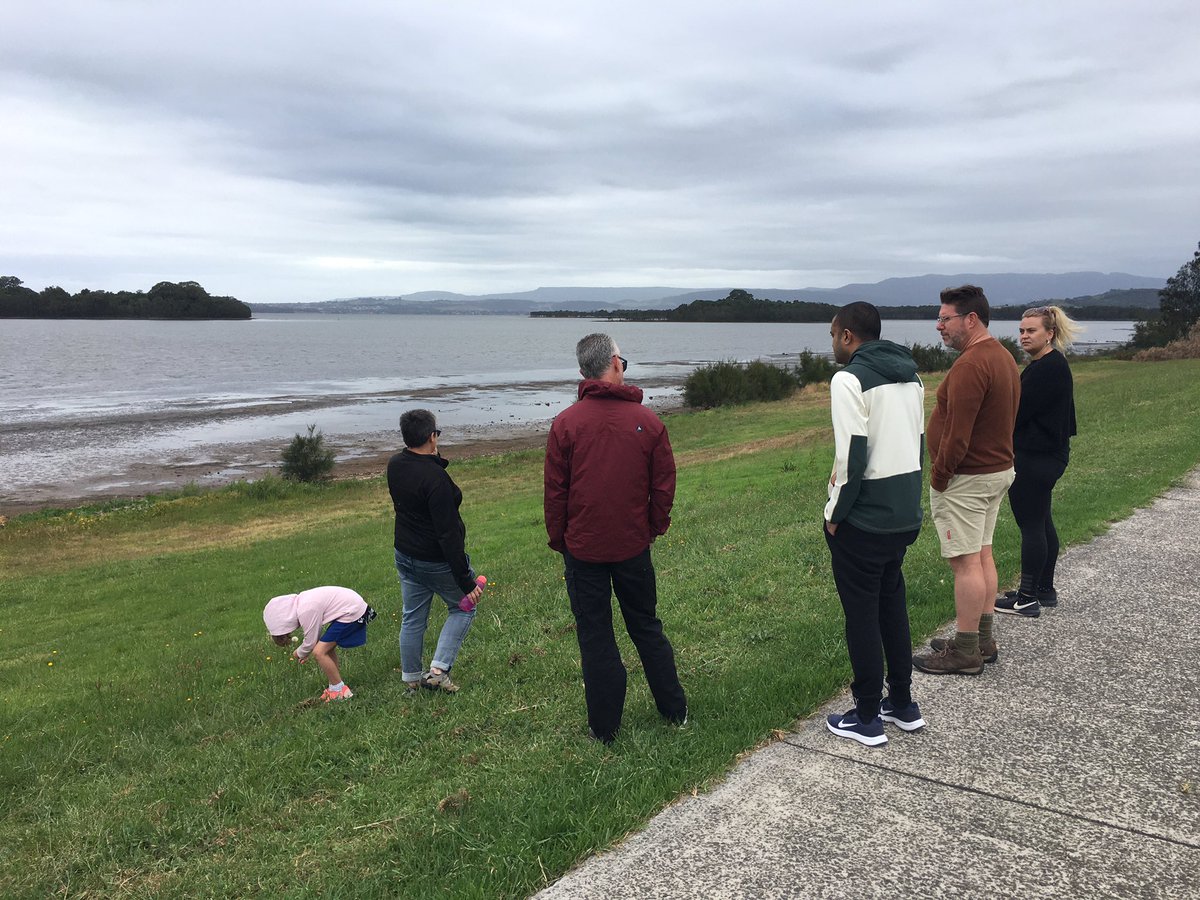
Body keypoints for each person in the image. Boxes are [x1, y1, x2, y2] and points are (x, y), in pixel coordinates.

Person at [544, 333, 688, 744]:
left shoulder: (567, 423)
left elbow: (556, 492)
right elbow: (664, 486)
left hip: (587, 548)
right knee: (645, 625)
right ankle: (673, 709)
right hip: (626, 546)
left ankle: (605, 728)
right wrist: (653, 527)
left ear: (584, 372)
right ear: (616, 364)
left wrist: (561, 539)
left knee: (597, 636)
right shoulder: (647, 423)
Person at [822, 302, 927, 746]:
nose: (831, 343)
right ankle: (901, 703)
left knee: (861, 615)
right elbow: (918, 443)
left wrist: (834, 514)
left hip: (864, 519)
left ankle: (866, 715)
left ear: (848, 336)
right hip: (903, 512)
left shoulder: (849, 379)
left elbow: (851, 455)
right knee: (890, 604)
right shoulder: (913, 376)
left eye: (833, 335)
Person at [913, 285, 1020, 676]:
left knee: (964, 564)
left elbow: (958, 432)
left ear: (970, 319)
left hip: (968, 478)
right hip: (994, 472)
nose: (939, 326)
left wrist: (940, 477)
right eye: (938, 318)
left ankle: (966, 651)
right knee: (982, 555)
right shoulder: (1003, 356)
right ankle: (981, 639)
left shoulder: (972, 364)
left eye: (945, 319)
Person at [387, 409, 483, 693]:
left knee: (413, 615)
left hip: (405, 555)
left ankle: (411, 680)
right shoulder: (435, 478)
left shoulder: (395, 464)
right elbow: (448, 535)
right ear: (432, 436)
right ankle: (438, 671)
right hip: (434, 560)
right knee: (463, 608)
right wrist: (465, 581)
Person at [994, 306, 1078, 617]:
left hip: (1035, 458)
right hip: (1046, 456)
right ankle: (1044, 588)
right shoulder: (1050, 364)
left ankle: (1026, 598)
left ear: (1050, 333)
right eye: (1022, 330)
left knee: (1031, 524)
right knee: (1042, 521)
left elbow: (1016, 412)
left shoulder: (1047, 368)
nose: (1024, 336)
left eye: (1031, 331)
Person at [263, 586, 376, 702]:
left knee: (319, 652)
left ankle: (340, 692)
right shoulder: (302, 602)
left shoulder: (306, 609)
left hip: (352, 612)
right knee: (326, 649)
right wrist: (306, 651)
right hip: (352, 608)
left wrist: (299, 653)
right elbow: (313, 639)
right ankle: (334, 686)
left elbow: (311, 642)